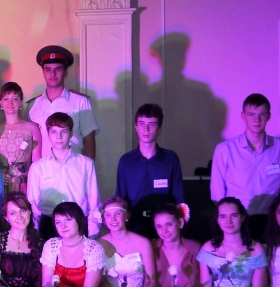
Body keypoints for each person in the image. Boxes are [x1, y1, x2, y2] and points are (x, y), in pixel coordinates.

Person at [210, 93, 280, 239]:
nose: (257, 120)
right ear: (243, 116)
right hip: (237, 222)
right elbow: (218, 192)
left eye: (262, 114)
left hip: (271, 221)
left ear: (269, 116)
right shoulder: (225, 149)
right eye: (251, 114)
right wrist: (226, 222)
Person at [115, 104, 185, 239]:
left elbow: (178, 196)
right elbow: (120, 198)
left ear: (159, 129)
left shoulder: (170, 159)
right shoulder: (126, 161)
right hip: (135, 225)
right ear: (136, 127)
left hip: (165, 227)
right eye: (141, 123)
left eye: (151, 124)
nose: (146, 129)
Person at [26, 112, 100, 239]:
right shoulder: (38, 167)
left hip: (78, 222)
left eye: (64, 131)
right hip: (48, 224)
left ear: (71, 133)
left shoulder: (86, 164)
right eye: (53, 132)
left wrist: (93, 232)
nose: (58, 137)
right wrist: (36, 231)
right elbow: (33, 202)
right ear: (48, 134)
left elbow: (94, 201)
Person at [25, 45, 98, 159]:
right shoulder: (33, 105)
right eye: (48, 69)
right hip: (43, 167)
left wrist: (88, 167)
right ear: (43, 72)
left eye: (58, 69)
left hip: (73, 166)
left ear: (65, 72)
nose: (52, 74)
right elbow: (29, 143)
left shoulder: (81, 102)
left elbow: (89, 141)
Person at [0, 82, 42, 194]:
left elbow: (37, 162)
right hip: (0, 185)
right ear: (0, 102)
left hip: (26, 185)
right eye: (6, 99)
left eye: (15, 98)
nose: (10, 103)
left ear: (20, 101)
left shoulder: (32, 128)